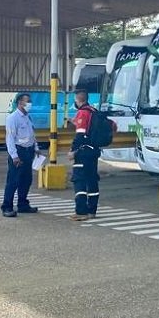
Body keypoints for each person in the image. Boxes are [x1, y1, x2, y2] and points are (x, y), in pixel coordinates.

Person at [1, 91, 40, 217]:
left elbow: (31, 135)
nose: (29, 103)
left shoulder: (28, 117)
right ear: (19, 102)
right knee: (13, 181)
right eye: (27, 101)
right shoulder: (13, 118)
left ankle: (23, 205)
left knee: (26, 180)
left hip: (29, 152)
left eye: (30, 101)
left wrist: (36, 147)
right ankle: (7, 207)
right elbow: (10, 138)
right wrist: (14, 156)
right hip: (19, 152)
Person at [67, 89, 103, 221]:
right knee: (92, 180)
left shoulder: (82, 112)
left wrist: (73, 150)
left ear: (79, 100)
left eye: (75, 100)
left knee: (79, 180)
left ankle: (81, 212)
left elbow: (80, 135)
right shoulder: (94, 111)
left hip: (83, 152)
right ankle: (92, 211)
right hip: (94, 151)